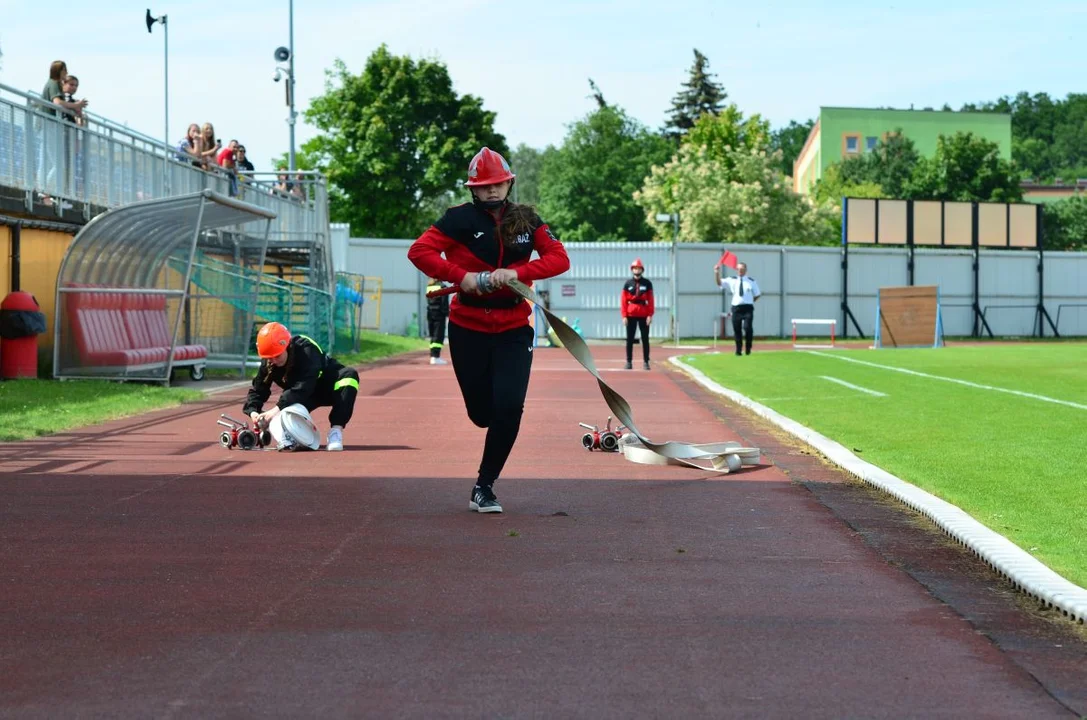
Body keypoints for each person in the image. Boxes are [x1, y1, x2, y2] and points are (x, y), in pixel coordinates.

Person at [407, 147, 570, 514]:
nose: (492, 191)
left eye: (498, 184)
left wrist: (518, 273)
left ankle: (485, 485)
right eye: (484, 186)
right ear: (473, 190)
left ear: (509, 183)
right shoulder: (457, 219)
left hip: (514, 327)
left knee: (509, 408)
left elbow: (560, 258)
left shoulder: (527, 219)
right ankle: (486, 436)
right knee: (483, 414)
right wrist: (460, 276)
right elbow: (418, 252)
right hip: (468, 328)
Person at [243, 322, 360, 452]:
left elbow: (304, 385)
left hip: (326, 388)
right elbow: (258, 389)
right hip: (303, 396)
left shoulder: (306, 349)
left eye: (277, 356)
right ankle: (288, 437)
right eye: (270, 358)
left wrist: (275, 409)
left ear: (286, 346)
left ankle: (335, 432)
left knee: (350, 376)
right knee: (281, 414)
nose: (274, 361)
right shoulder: (269, 362)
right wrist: (254, 412)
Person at [715, 261, 761, 356]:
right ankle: (738, 350)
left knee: (747, 328)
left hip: (747, 308)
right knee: (737, 329)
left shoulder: (751, 281)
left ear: (745, 270)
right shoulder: (732, 279)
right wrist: (716, 273)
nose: (740, 270)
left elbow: (757, 294)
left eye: (742, 269)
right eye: (738, 269)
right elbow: (719, 283)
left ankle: (748, 348)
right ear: (736, 270)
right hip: (736, 308)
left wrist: (750, 301)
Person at [620, 258, 654, 370]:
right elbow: (623, 300)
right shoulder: (628, 284)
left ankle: (646, 362)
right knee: (629, 339)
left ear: (642, 269)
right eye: (635, 268)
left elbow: (651, 300)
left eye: (638, 268)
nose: (636, 270)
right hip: (631, 315)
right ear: (632, 269)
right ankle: (629, 362)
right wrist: (624, 315)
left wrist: (650, 315)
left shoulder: (647, 283)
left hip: (643, 315)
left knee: (645, 339)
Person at [425, 277, 451, 365]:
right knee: (438, 335)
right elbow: (444, 303)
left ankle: (433, 355)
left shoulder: (429, 286)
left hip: (430, 312)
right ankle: (436, 356)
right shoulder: (443, 287)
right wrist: (447, 313)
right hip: (439, 314)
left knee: (433, 335)